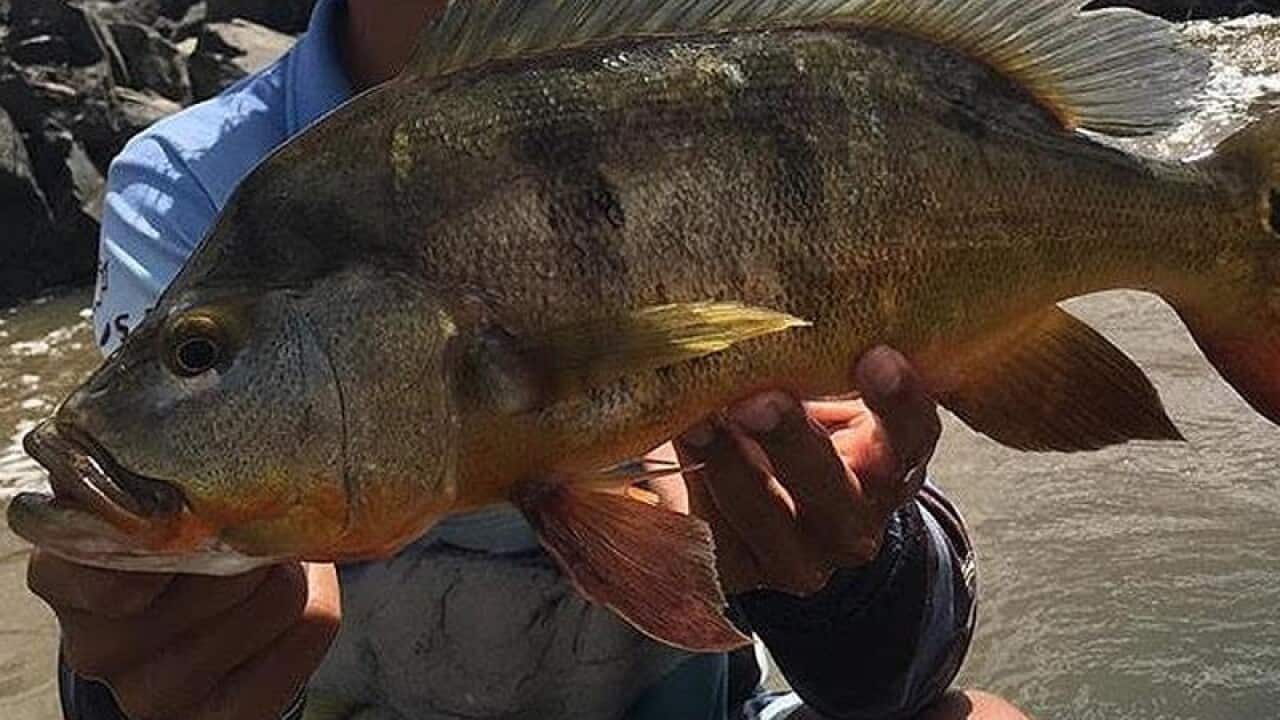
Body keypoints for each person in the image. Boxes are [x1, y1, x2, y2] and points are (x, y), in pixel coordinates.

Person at [28, 1, 1032, 718]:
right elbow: (146, 634)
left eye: (200, 349)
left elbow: (891, 680)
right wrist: (131, 669)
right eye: (199, 350)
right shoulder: (194, 183)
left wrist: (835, 569)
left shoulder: (713, 74)